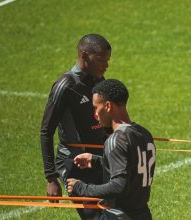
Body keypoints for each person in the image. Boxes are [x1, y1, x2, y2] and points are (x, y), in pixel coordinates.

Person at [40, 33, 111, 219]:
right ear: (85, 55)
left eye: (108, 59)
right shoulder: (65, 86)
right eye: (102, 59)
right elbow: (46, 131)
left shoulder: (99, 81)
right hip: (74, 164)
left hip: (98, 159)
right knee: (94, 217)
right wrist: (51, 178)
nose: (107, 65)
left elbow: (105, 123)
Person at [66, 79, 156, 220]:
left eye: (96, 108)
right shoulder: (144, 134)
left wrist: (80, 188)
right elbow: (133, 168)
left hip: (119, 216)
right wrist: (97, 161)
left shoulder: (116, 140)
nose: (95, 114)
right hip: (143, 214)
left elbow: (118, 186)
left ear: (107, 106)